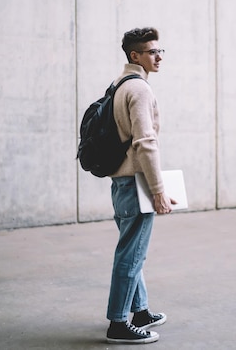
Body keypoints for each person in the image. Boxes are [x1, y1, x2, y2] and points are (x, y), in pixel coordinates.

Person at [105, 27, 176, 344]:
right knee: (130, 256)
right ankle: (118, 324)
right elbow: (146, 143)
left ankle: (141, 311)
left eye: (161, 51)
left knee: (132, 250)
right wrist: (158, 191)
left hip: (121, 182)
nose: (159, 57)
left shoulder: (118, 85)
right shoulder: (141, 90)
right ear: (135, 56)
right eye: (152, 52)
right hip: (136, 184)